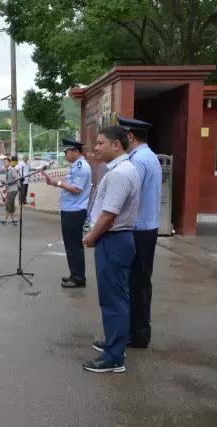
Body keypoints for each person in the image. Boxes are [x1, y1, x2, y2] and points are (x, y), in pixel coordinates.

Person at [82, 126, 140, 373]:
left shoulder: (119, 174)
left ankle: (114, 357)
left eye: (100, 143)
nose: (95, 147)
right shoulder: (123, 169)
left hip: (113, 239)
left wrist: (91, 238)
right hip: (117, 239)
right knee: (116, 296)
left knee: (113, 299)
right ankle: (115, 342)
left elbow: (108, 215)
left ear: (116, 145)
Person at [120, 116, 161, 349]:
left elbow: (127, 196)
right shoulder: (150, 156)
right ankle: (141, 330)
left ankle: (135, 333)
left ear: (129, 136)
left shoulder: (137, 161)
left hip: (138, 230)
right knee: (142, 283)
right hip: (149, 227)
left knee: (134, 284)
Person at [43, 139, 91, 288]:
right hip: (69, 209)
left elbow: (76, 189)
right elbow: (69, 182)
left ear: (75, 151)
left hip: (75, 211)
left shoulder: (82, 167)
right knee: (70, 246)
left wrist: (57, 183)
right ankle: (74, 273)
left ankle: (78, 278)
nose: (65, 154)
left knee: (74, 246)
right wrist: (55, 181)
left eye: (66, 152)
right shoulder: (75, 166)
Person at [1, 157, 19, 225]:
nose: (4, 163)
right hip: (10, 189)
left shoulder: (12, 169)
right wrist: (5, 181)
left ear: (9, 162)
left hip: (13, 189)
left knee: (8, 204)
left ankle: (5, 220)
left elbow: (16, 179)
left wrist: (7, 182)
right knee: (11, 204)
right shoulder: (7, 170)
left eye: (6, 161)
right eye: (4, 162)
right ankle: (13, 219)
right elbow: (9, 179)